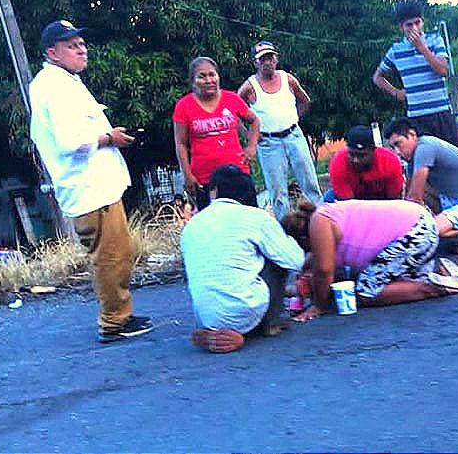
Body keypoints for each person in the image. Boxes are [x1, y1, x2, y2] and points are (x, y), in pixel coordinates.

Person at [29, 19, 152, 343]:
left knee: (119, 252)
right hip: (88, 188)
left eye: (81, 43)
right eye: (71, 45)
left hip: (97, 185)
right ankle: (113, 322)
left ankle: (119, 313)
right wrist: (109, 138)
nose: (81, 48)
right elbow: (71, 141)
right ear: (51, 52)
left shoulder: (63, 81)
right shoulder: (52, 86)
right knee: (110, 255)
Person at [280, 198, 458, 322]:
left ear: (303, 239)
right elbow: (317, 268)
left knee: (366, 293)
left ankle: (435, 287)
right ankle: (436, 271)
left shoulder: (319, 222)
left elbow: (324, 272)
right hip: (420, 225)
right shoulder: (325, 215)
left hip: (414, 233)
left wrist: (318, 307)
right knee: (376, 278)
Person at [181, 165, 304, 354]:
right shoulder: (256, 217)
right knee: (275, 257)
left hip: (205, 316)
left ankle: (216, 331)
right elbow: (294, 260)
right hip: (246, 311)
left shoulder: (192, 226)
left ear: (214, 191)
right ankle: (268, 325)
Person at [383, 118, 458, 250]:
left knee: (430, 231)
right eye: (393, 147)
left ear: (412, 135)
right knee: (422, 198)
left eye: (399, 144)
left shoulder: (425, 147)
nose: (397, 152)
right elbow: (408, 197)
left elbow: (414, 199)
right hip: (453, 198)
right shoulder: (412, 158)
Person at [237, 41, 322, 220]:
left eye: (270, 57)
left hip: (293, 135)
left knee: (310, 182)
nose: (267, 62)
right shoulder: (250, 86)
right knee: (277, 192)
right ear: (256, 63)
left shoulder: (288, 79)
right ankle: (286, 230)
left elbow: (305, 100)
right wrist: (250, 135)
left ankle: (320, 220)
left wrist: (294, 120)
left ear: (276, 59)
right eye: (262, 59)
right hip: (268, 142)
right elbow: (234, 111)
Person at [173, 56, 260, 211]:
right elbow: (180, 143)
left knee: (247, 219)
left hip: (238, 173)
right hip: (204, 178)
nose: (209, 80)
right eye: (202, 76)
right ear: (193, 81)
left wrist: (251, 147)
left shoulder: (231, 99)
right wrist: (187, 175)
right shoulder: (183, 106)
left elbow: (254, 121)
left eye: (212, 74)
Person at [373, 1, 458, 146]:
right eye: (409, 25)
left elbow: (443, 70)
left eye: (417, 23)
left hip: (440, 112)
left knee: (451, 159)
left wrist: (421, 47)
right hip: (416, 116)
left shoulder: (435, 41)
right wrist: (396, 92)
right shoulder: (396, 50)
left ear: (422, 22)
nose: (414, 28)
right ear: (401, 27)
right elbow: (377, 77)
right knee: (423, 159)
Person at [324, 125, 404, 202]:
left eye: (361, 155)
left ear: (373, 151)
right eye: (352, 154)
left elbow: (394, 201)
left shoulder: (390, 162)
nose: (356, 160)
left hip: (381, 200)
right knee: (329, 197)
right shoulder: (338, 162)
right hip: (352, 202)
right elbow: (348, 206)